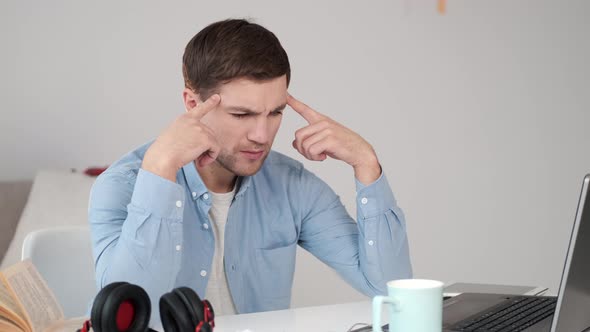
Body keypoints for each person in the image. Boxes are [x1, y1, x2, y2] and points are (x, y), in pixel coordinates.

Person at [88, 18, 412, 327]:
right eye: (242, 114)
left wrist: (367, 164)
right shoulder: (123, 186)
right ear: (191, 103)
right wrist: (160, 170)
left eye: (275, 113)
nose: (262, 134)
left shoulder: (292, 186)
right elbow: (123, 317)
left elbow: (392, 289)